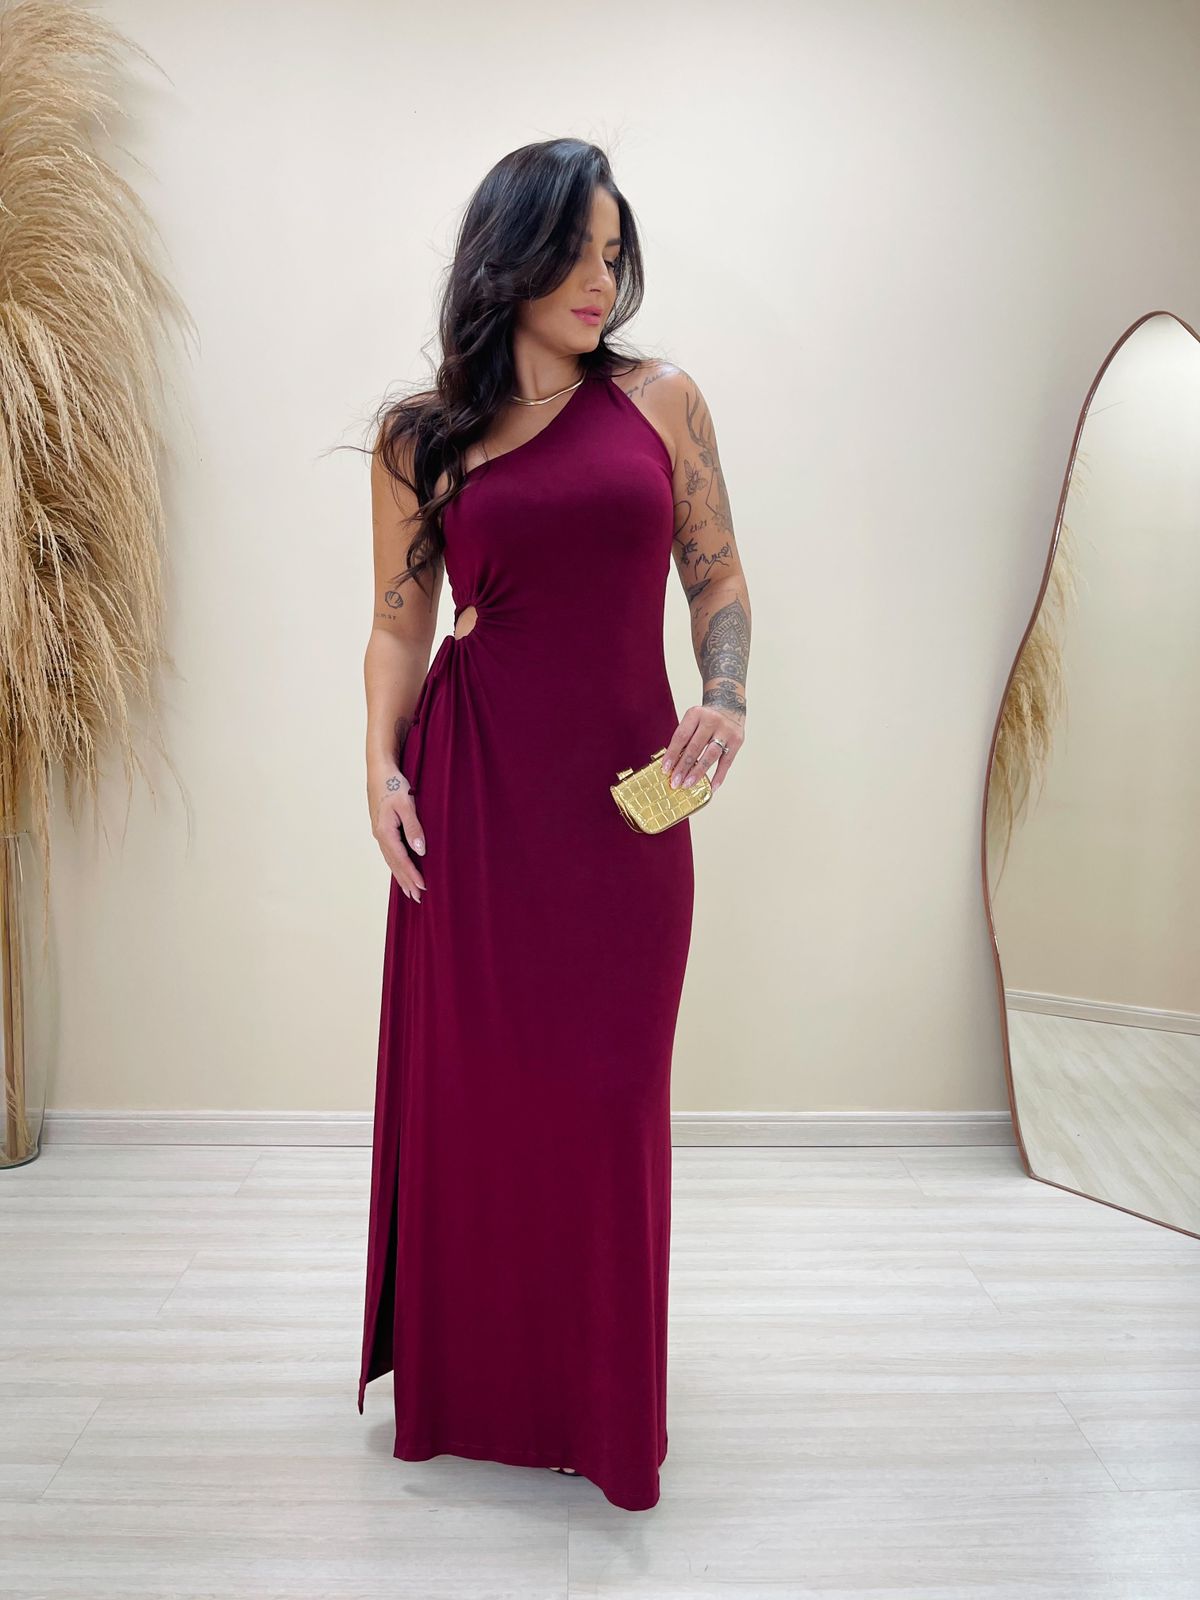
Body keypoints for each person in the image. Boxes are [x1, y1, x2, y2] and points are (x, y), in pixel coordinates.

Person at [357, 137, 751, 1512]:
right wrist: (378, 766)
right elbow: (398, 624)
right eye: (574, 250)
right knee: (482, 1104)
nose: (601, 278)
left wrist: (726, 695)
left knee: (610, 1101)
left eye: (613, 252)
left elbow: (718, 579)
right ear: (508, 255)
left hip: (630, 810)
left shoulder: (661, 401)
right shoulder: (421, 436)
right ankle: (480, 1396)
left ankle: (604, 1407)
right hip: (473, 799)